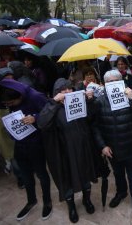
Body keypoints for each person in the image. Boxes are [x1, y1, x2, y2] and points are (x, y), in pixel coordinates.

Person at [38, 78, 103, 223]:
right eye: (63, 90)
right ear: (56, 93)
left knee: (86, 174)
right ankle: (71, 206)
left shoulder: (79, 103)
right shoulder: (52, 106)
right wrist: (54, 102)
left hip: (83, 148)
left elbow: (93, 115)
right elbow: (42, 123)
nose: (67, 92)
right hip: (64, 153)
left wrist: (90, 101)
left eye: (69, 89)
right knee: (67, 179)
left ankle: (87, 200)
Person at [90, 70, 132, 222]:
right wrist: (102, 146)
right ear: (104, 85)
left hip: (131, 146)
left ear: (122, 82)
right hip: (112, 149)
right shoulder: (99, 101)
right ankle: (121, 192)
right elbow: (94, 126)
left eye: (117, 81)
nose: (113, 84)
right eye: (110, 82)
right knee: (118, 174)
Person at [0, 79, 52, 221]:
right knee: (25, 175)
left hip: (36, 143)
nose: (8, 106)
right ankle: (31, 200)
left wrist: (35, 118)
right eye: (6, 104)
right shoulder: (7, 95)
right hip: (20, 143)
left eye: (11, 103)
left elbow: (50, 111)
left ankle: (47, 201)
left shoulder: (35, 97)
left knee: (41, 174)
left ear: (20, 97)